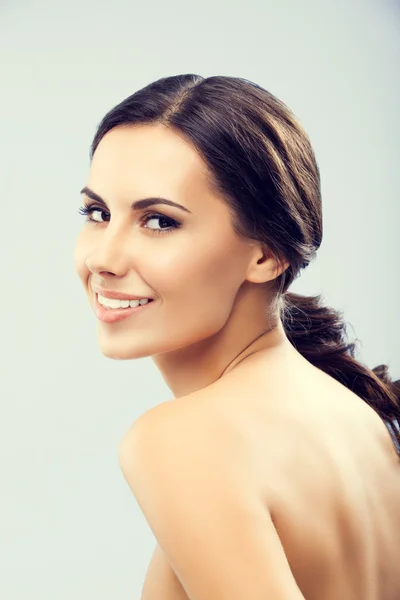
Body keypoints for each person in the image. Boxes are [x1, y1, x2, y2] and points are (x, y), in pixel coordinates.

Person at [74, 74, 400, 600]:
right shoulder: (357, 419)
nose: (102, 259)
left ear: (266, 254)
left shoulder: (184, 440)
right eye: (98, 213)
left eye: (158, 221)